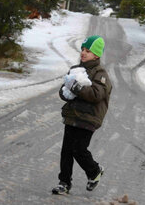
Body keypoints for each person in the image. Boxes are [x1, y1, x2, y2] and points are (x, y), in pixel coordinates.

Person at [52, 35, 112, 195]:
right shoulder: (76, 70)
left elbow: (96, 94)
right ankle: (64, 182)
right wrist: (65, 92)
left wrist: (77, 88)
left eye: (88, 51)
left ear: (97, 55)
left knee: (78, 149)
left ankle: (94, 170)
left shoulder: (101, 74)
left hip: (89, 118)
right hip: (73, 115)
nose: (83, 53)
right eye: (83, 50)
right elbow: (65, 89)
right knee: (66, 150)